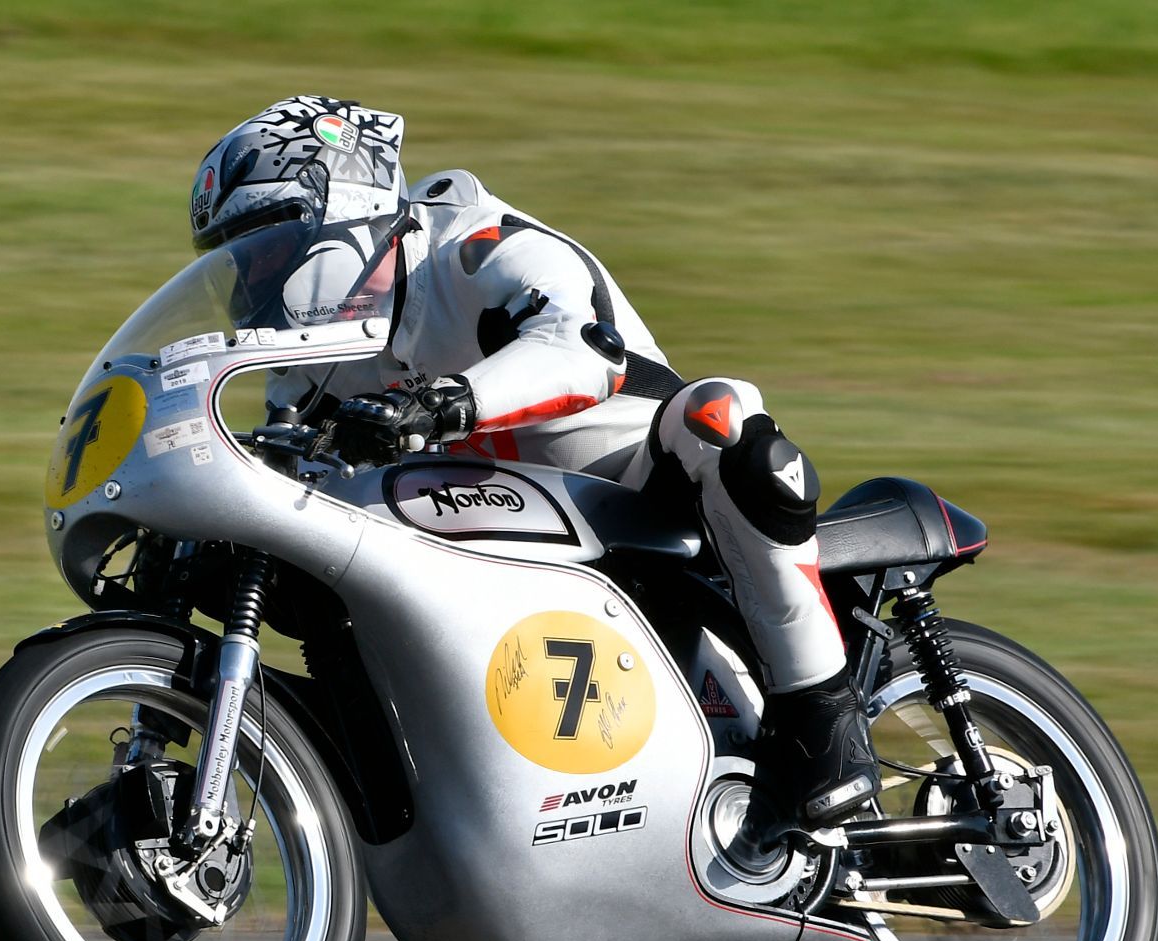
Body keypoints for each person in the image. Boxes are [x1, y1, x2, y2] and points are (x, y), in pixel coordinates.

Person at [188, 95, 878, 828]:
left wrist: (443, 402)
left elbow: (582, 349)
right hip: (489, 540)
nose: (249, 281)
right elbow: (286, 486)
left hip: (626, 474)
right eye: (235, 259)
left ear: (342, 212)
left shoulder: (474, 245)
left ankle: (822, 714)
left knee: (722, 419)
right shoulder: (313, 364)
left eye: (262, 246)